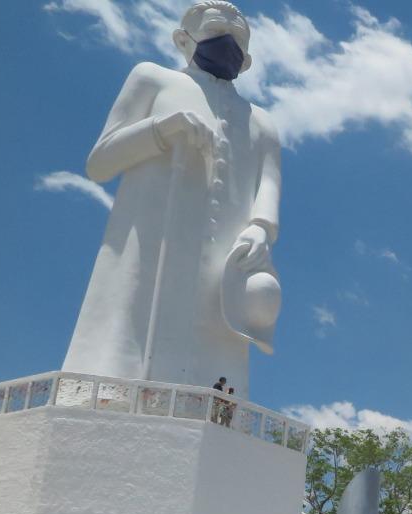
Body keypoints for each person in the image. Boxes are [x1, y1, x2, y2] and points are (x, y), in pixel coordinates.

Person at [62, 2, 282, 394]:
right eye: (216, 30)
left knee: (217, 345)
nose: (228, 43)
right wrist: (161, 129)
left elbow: (268, 184)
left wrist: (261, 229)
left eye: (238, 39)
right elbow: (100, 164)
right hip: (151, 242)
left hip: (225, 259)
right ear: (183, 38)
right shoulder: (153, 78)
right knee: (132, 328)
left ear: (247, 60)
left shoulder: (261, 121)